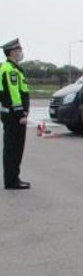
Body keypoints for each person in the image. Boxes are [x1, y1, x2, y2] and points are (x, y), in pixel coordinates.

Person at [0, 39, 30, 190]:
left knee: (14, 148)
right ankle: (11, 181)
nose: (21, 53)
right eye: (19, 50)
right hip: (13, 116)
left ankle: (13, 178)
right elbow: (14, 94)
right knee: (13, 149)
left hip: (12, 115)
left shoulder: (13, 68)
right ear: (12, 52)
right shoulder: (9, 69)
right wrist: (20, 114)